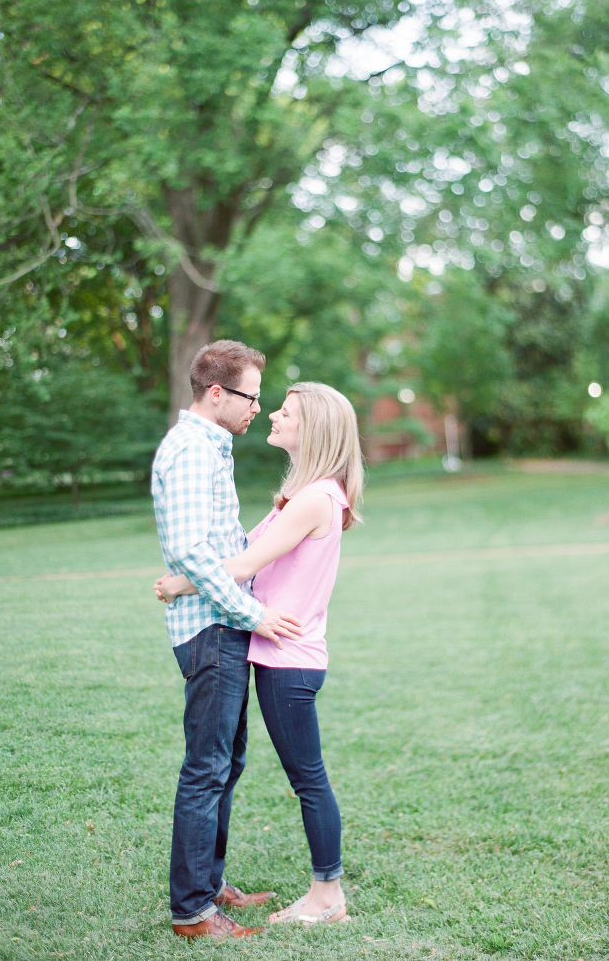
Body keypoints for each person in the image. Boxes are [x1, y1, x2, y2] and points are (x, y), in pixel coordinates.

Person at [157, 381, 363, 925]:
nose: (271, 413)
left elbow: (243, 566)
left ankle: (328, 896)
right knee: (281, 772)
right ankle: (316, 892)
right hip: (277, 653)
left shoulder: (317, 497)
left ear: (313, 428)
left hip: (287, 657)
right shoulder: (307, 495)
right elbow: (244, 550)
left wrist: (181, 583)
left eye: (286, 411)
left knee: (308, 779)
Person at [151, 340, 302, 941]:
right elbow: (191, 547)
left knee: (226, 762)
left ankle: (210, 883)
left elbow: (218, 545)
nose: (257, 410)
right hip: (213, 628)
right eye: (250, 397)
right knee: (207, 767)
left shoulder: (210, 446)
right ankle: (191, 911)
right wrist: (251, 611)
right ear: (217, 393)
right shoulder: (191, 449)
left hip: (221, 621)